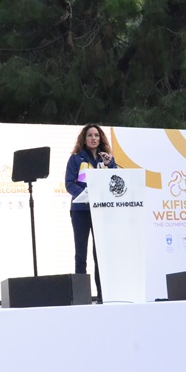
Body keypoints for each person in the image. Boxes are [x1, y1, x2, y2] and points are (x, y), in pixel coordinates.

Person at [65, 124, 117, 303]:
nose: (93, 138)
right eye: (90, 135)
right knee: (81, 254)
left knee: (100, 254)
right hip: (80, 211)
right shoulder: (76, 159)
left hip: (100, 210)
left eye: (96, 135)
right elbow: (69, 183)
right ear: (84, 139)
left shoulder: (106, 159)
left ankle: (103, 295)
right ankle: (81, 297)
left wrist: (111, 165)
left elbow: (116, 182)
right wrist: (86, 195)